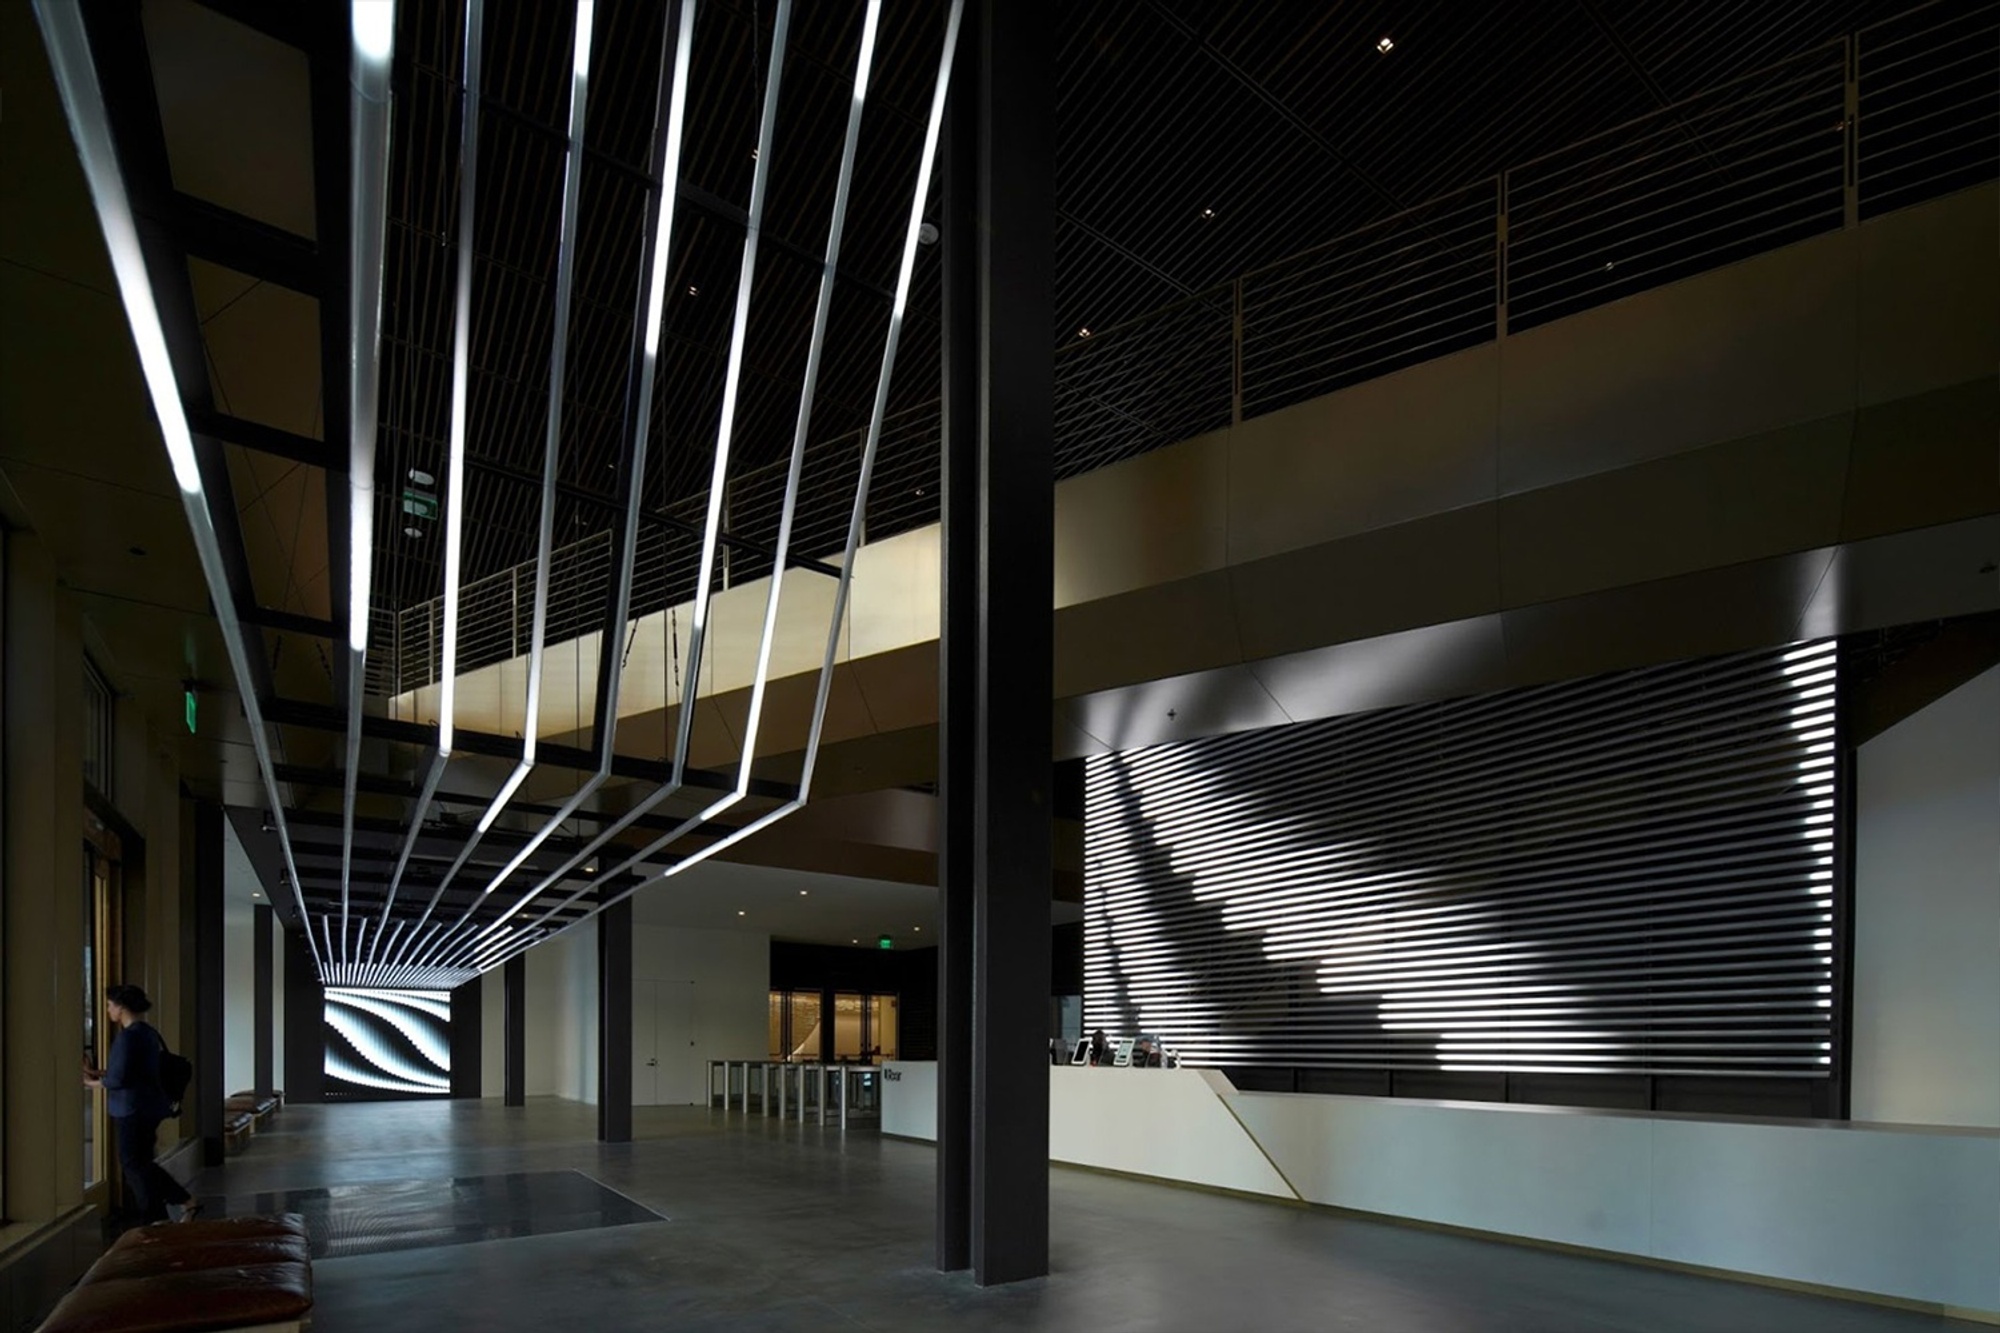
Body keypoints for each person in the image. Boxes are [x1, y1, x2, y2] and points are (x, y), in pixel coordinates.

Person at [83, 984, 198, 1225]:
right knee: (141, 1163)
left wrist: (91, 1083)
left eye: (109, 1005)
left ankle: (168, 1209)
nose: (107, 1010)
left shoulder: (128, 1037)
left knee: (133, 1164)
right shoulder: (147, 1033)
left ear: (121, 1007)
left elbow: (119, 1078)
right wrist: (97, 1072)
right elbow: (134, 1071)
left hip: (131, 1109)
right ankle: (165, 1211)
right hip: (148, 1107)